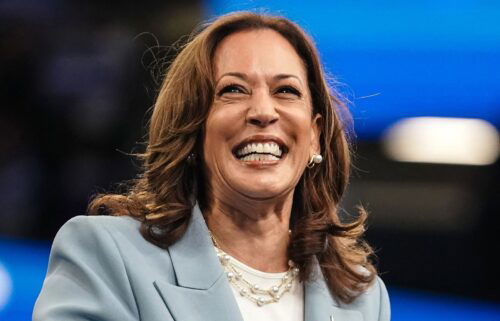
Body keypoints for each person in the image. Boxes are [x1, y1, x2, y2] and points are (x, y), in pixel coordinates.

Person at [33, 12, 390, 321]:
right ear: (192, 129)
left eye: (286, 91)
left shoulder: (359, 296)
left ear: (314, 135)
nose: (264, 112)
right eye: (232, 90)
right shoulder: (107, 255)